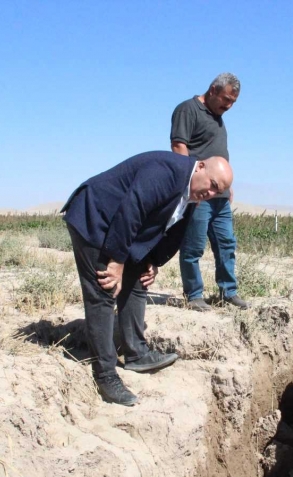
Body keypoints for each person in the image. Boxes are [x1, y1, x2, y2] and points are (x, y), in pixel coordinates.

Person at [60, 151, 234, 406]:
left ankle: (136, 352)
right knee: (104, 290)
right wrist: (117, 260)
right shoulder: (168, 171)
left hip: (117, 227)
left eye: (215, 193)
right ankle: (105, 374)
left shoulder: (191, 194)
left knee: (138, 279)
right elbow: (133, 210)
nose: (209, 193)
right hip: (94, 218)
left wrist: (151, 261)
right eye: (211, 185)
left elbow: (169, 230)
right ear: (200, 167)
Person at [171, 72, 249, 312]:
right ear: (213, 90)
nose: (229, 106)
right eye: (226, 99)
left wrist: (227, 185)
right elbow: (178, 145)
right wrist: (188, 186)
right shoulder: (188, 109)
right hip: (200, 193)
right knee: (193, 246)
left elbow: (219, 156)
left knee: (226, 244)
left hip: (221, 197)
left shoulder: (219, 119)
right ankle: (194, 295)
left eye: (233, 102)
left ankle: (228, 292)